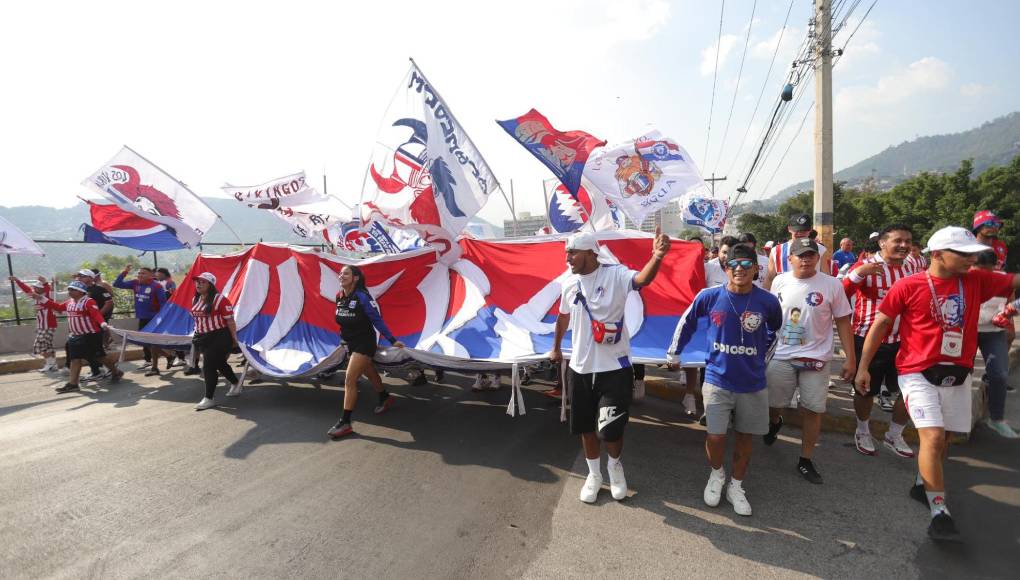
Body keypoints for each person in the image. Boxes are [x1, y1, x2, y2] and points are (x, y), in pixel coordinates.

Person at [855, 226, 1020, 541]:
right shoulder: (908, 285)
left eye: (973, 254)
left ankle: (922, 483)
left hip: (958, 372)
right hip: (916, 371)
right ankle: (940, 512)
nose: (971, 260)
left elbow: (1014, 281)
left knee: (943, 438)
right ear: (939, 254)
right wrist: (863, 366)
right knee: (930, 437)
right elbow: (881, 324)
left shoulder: (977, 281)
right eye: (963, 254)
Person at [550, 229, 670, 504]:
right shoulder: (569, 283)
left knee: (611, 429)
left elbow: (642, 279)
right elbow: (562, 318)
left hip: (614, 369)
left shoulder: (615, 275)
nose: (567, 257)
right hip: (580, 368)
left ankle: (615, 468)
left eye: (573, 252)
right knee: (585, 427)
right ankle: (594, 474)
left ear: (591, 252)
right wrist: (556, 347)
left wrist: (658, 256)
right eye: (567, 252)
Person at [668, 244, 782, 516]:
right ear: (725, 268)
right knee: (715, 436)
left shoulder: (767, 301)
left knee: (745, 437)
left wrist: (759, 361)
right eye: (734, 265)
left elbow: (776, 332)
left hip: (753, 383)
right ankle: (717, 475)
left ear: (756, 269)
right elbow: (687, 322)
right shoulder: (709, 296)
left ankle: (736, 486)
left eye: (746, 264)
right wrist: (674, 353)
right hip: (718, 380)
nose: (740, 269)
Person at [764, 239, 856, 484]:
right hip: (781, 355)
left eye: (810, 255)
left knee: (813, 410)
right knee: (774, 404)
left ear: (818, 258)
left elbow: (844, 321)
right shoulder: (779, 280)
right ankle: (776, 421)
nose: (805, 259)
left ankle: (805, 459)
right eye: (800, 255)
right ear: (790, 258)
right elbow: (770, 316)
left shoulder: (832, 284)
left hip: (816, 358)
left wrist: (851, 359)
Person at [843, 225, 918, 456]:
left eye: (908, 241)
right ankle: (863, 429)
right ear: (882, 243)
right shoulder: (867, 266)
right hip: (868, 339)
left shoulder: (913, 266)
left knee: (911, 391)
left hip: (906, 340)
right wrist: (859, 273)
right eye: (898, 241)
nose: (904, 245)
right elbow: (841, 294)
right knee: (866, 391)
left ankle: (894, 433)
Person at [327, 265, 406, 439]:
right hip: (350, 343)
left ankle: (345, 422)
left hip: (365, 343)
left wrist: (392, 340)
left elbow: (377, 320)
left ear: (355, 277)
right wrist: (344, 339)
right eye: (340, 273)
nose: (341, 276)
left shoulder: (362, 296)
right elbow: (343, 321)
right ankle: (384, 397)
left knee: (350, 379)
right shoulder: (339, 296)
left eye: (346, 273)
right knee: (369, 372)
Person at [35, 280, 123, 392]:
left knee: (100, 357)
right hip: (75, 336)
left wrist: (102, 323)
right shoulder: (69, 303)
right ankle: (73, 384)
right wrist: (41, 298)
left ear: (81, 292)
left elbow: (96, 314)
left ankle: (116, 372)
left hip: (91, 335)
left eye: (73, 290)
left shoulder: (88, 302)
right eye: (69, 289)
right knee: (74, 359)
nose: (70, 291)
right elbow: (57, 307)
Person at [973, 250, 1018, 438]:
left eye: (986, 270)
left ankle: (996, 419)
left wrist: (1012, 309)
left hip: (993, 332)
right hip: (966, 332)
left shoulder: (1003, 280)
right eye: (977, 269)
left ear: (995, 267)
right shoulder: (963, 277)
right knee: (961, 375)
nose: (982, 275)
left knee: (999, 374)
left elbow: (1012, 301)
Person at [189, 273, 241, 410]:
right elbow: (197, 320)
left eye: (203, 282)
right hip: (202, 337)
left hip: (219, 337)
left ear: (210, 285)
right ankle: (236, 383)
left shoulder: (220, 299)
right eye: (197, 282)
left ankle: (209, 398)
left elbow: (230, 321)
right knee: (220, 363)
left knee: (208, 366)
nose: (199, 284)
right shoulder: (195, 299)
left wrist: (234, 339)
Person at [114, 265, 168, 376]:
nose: (140, 275)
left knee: (151, 343)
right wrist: (125, 272)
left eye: (143, 273)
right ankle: (168, 356)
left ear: (151, 275)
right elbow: (117, 284)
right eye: (139, 273)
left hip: (153, 319)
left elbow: (164, 304)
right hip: (142, 318)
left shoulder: (157, 287)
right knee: (145, 342)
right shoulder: (135, 283)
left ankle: (154, 367)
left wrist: (161, 319)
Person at [765, 214, 830, 290]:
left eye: (804, 230)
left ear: (810, 229)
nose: (800, 233)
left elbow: (826, 276)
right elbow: (770, 279)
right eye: (797, 230)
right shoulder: (776, 250)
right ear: (789, 229)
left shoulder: (820, 249)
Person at [10, 276, 58, 371]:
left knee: (39, 345)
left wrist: (45, 283)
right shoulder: (35, 296)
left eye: (37, 287)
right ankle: (52, 364)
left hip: (48, 325)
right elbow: (26, 289)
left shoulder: (48, 296)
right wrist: (17, 280)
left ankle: (50, 363)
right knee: (47, 345)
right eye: (34, 287)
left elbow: (49, 289)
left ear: (42, 288)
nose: (34, 289)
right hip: (42, 325)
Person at [77, 269, 114, 381]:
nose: (80, 278)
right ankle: (99, 370)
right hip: (84, 325)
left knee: (96, 349)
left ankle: (105, 370)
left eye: (82, 276)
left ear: (90, 277)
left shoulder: (99, 289)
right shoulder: (81, 290)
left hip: (97, 324)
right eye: (79, 276)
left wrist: (97, 316)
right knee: (90, 349)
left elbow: (109, 302)